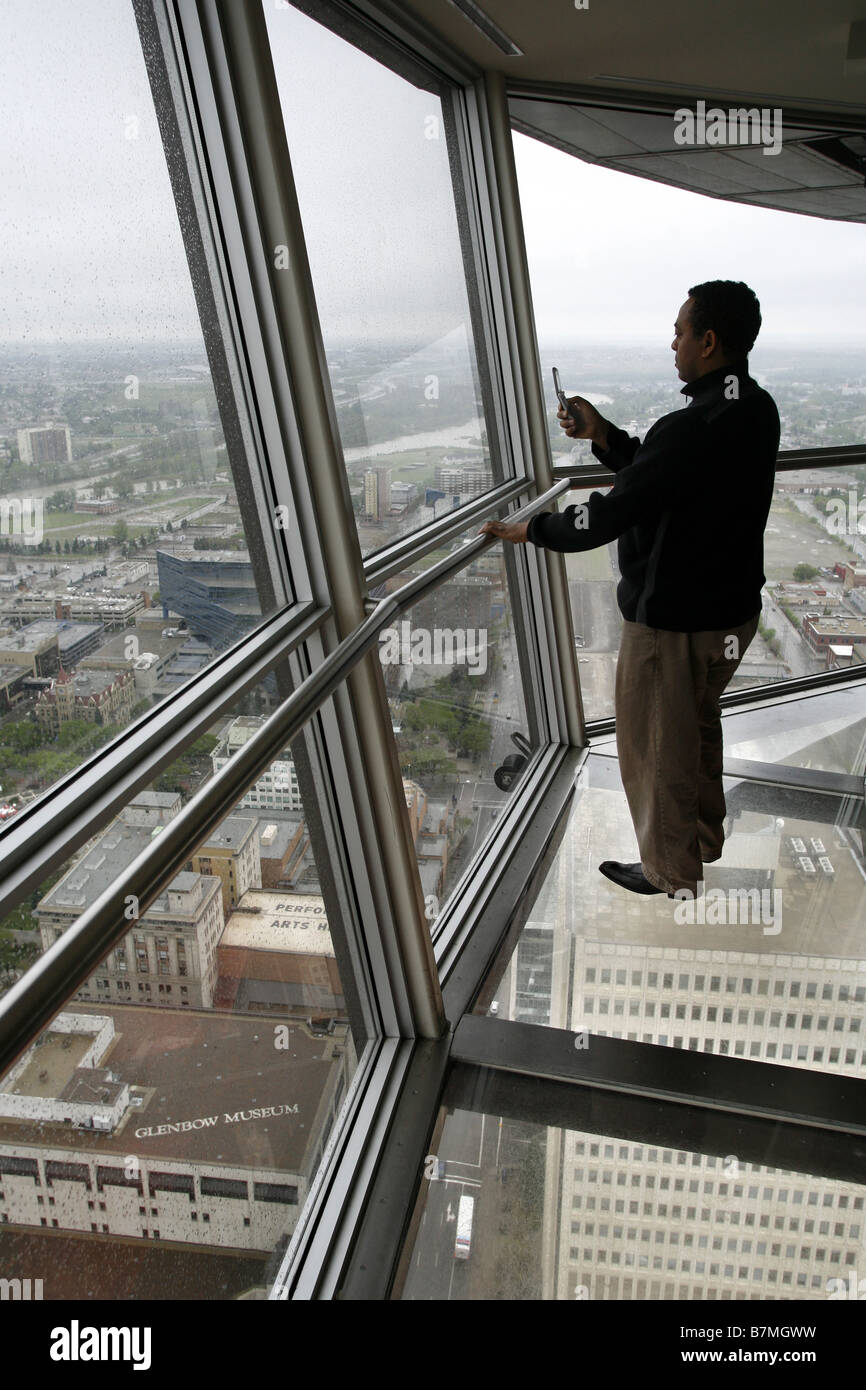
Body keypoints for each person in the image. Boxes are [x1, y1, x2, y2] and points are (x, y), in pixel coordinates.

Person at [479, 280, 780, 899]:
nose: (673, 343)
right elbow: (666, 475)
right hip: (730, 614)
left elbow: (615, 512)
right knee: (695, 726)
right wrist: (604, 435)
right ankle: (700, 839)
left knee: (656, 747)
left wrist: (532, 528)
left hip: (676, 623)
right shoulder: (752, 406)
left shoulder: (690, 426)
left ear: (709, 341)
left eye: (680, 331)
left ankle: (669, 872)